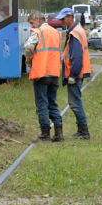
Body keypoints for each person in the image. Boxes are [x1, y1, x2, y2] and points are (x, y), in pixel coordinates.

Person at [24, 11, 63, 142]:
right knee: (52, 103)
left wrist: (28, 61)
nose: (31, 26)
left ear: (38, 20)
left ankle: (45, 135)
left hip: (41, 73)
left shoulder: (38, 32)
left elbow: (28, 46)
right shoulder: (57, 33)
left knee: (42, 104)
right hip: (54, 73)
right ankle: (59, 134)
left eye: (32, 23)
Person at [58, 7, 92, 140]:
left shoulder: (75, 33)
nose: (61, 21)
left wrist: (73, 74)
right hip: (77, 72)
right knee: (75, 102)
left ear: (70, 17)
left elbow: (77, 56)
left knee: (75, 103)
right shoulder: (76, 30)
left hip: (76, 74)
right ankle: (82, 131)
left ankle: (83, 132)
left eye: (63, 18)